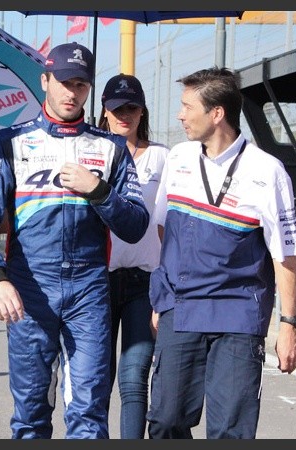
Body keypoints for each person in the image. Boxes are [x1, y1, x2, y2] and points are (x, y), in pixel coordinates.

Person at [0, 42, 149, 439]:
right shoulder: (8, 142)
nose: (71, 93)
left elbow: (135, 225)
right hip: (30, 290)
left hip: (88, 291)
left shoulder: (111, 147)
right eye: (64, 82)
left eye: (81, 84)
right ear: (45, 80)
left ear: (89, 89)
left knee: (88, 413)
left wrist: (98, 191)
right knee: (31, 414)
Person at [146, 67, 296, 439]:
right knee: (166, 420)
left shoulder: (267, 170)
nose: (180, 115)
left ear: (217, 113)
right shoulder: (179, 158)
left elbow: (286, 256)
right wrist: (162, 298)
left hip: (238, 314)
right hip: (181, 308)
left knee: (231, 431)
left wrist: (288, 326)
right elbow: (165, 228)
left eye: (187, 106)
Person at [97, 74, 169, 439]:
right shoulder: (92, 151)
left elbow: (168, 226)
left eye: (132, 108)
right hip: (98, 281)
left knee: (133, 377)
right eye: (116, 108)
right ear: (104, 112)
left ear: (142, 112)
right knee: (98, 376)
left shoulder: (162, 156)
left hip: (146, 281)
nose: (124, 114)